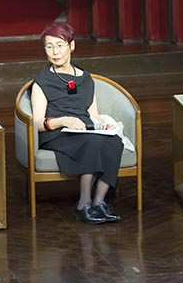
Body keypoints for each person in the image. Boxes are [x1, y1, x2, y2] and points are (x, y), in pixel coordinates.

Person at [30, 22, 125, 224]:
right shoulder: (41, 81)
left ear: (71, 46)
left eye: (60, 45)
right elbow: (37, 122)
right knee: (92, 143)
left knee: (114, 141)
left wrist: (103, 125)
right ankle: (84, 203)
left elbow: (93, 115)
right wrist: (64, 120)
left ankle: (99, 201)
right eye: (49, 46)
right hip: (57, 133)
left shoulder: (86, 78)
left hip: (84, 130)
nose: (55, 52)